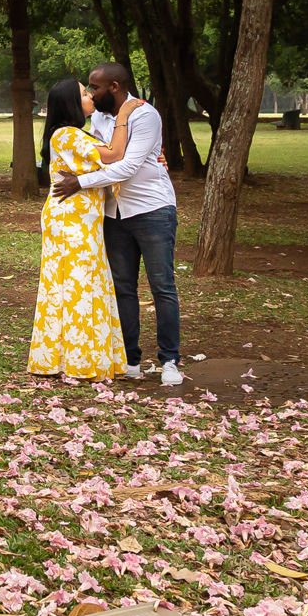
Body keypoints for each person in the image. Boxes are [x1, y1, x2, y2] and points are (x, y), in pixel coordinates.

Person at [54, 62, 183, 385]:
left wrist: (80, 183)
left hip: (152, 210)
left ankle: (169, 361)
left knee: (162, 287)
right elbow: (96, 156)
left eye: (95, 88)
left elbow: (126, 166)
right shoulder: (97, 119)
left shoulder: (145, 115)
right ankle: (130, 360)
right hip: (113, 213)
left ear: (114, 87)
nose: (91, 94)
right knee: (122, 288)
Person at [29, 78, 133, 381]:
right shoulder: (66, 135)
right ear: (71, 103)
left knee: (81, 284)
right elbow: (114, 155)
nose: (89, 96)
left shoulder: (74, 135)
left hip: (81, 219)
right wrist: (124, 115)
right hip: (69, 221)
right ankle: (76, 361)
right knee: (76, 286)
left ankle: (73, 358)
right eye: (84, 93)